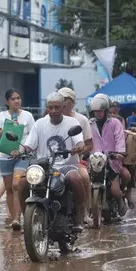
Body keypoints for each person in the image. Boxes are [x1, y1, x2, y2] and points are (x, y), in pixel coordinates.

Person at [14, 92, 86, 232]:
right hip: (43, 166)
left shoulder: (72, 123)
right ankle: (27, 220)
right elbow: (30, 145)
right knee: (21, 182)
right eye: (50, 107)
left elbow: (80, 140)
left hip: (66, 166)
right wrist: (20, 150)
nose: (53, 111)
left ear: (63, 107)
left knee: (76, 178)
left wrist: (79, 146)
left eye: (57, 107)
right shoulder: (40, 124)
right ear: (47, 107)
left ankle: (79, 216)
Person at [0, 89, 35, 231]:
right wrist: (7, 127)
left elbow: (34, 136)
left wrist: (24, 150)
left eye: (18, 98)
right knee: (9, 188)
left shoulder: (28, 116)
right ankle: (13, 218)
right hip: (5, 157)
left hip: (22, 157)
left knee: (17, 184)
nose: (17, 101)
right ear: (7, 102)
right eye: (13, 99)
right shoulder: (1, 116)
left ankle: (18, 217)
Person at [88, 94, 133, 213]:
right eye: (96, 111)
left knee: (115, 190)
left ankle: (119, 201)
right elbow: (86, 140)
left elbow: (119, 138)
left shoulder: (115, 123)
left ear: (106, 110)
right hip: (95, 160)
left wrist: (119, 152)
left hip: (112, 159)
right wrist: (84, 151)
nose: (98, 113)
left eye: (100, 111)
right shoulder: (89, 124)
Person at [58, 87, 93, 215]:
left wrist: (79, 150)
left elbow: (89, 144)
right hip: (51, 162)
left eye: (65, 99)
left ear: (72, 102)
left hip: (73, 162)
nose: (62, 102)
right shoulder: (50, 118)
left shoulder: (81, 120)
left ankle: (84, 211)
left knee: (84, 177)